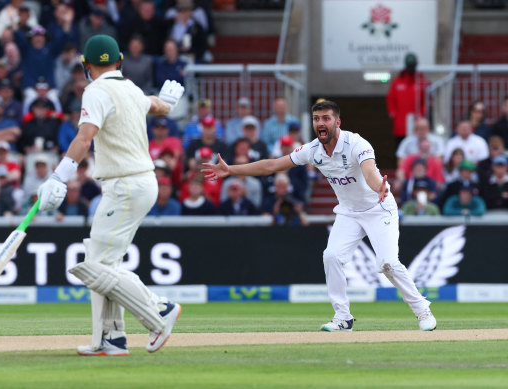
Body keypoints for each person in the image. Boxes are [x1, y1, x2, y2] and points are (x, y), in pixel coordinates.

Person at [202, 100, 437, 332]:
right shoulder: (312, 150)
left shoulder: (356, 143)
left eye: (326, 118)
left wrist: (379, 187)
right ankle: (343, 318)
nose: (321, 123)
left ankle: (422, 310)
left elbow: (369, 172)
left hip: (379, 208)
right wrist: (231, 170)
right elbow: (271, 166)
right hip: (348, 211)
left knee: (387, 264)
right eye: (316, 119)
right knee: (331, 256)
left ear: (337, 122)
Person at [37, 35, 184, 356]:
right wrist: (169, 103)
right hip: (139, 182)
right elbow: (157, 105)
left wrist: (58, 176)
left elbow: (85, 136)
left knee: (95, 266)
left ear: (87, 66)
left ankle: (158, 309)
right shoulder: (130, 89)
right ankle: (111, 338)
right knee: (104, 261)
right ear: (119, 61)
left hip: (125, 185)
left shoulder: (95, 91)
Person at [386, 52, 428, 147]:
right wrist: (393, 113)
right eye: (409, 65)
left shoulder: (421, 81)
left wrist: (421, 114)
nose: (411, 68)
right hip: (401, 125)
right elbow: (390, 98)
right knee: (401, 150)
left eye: (412, 65)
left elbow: (426, 101)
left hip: (417, 124)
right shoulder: (398, 81)